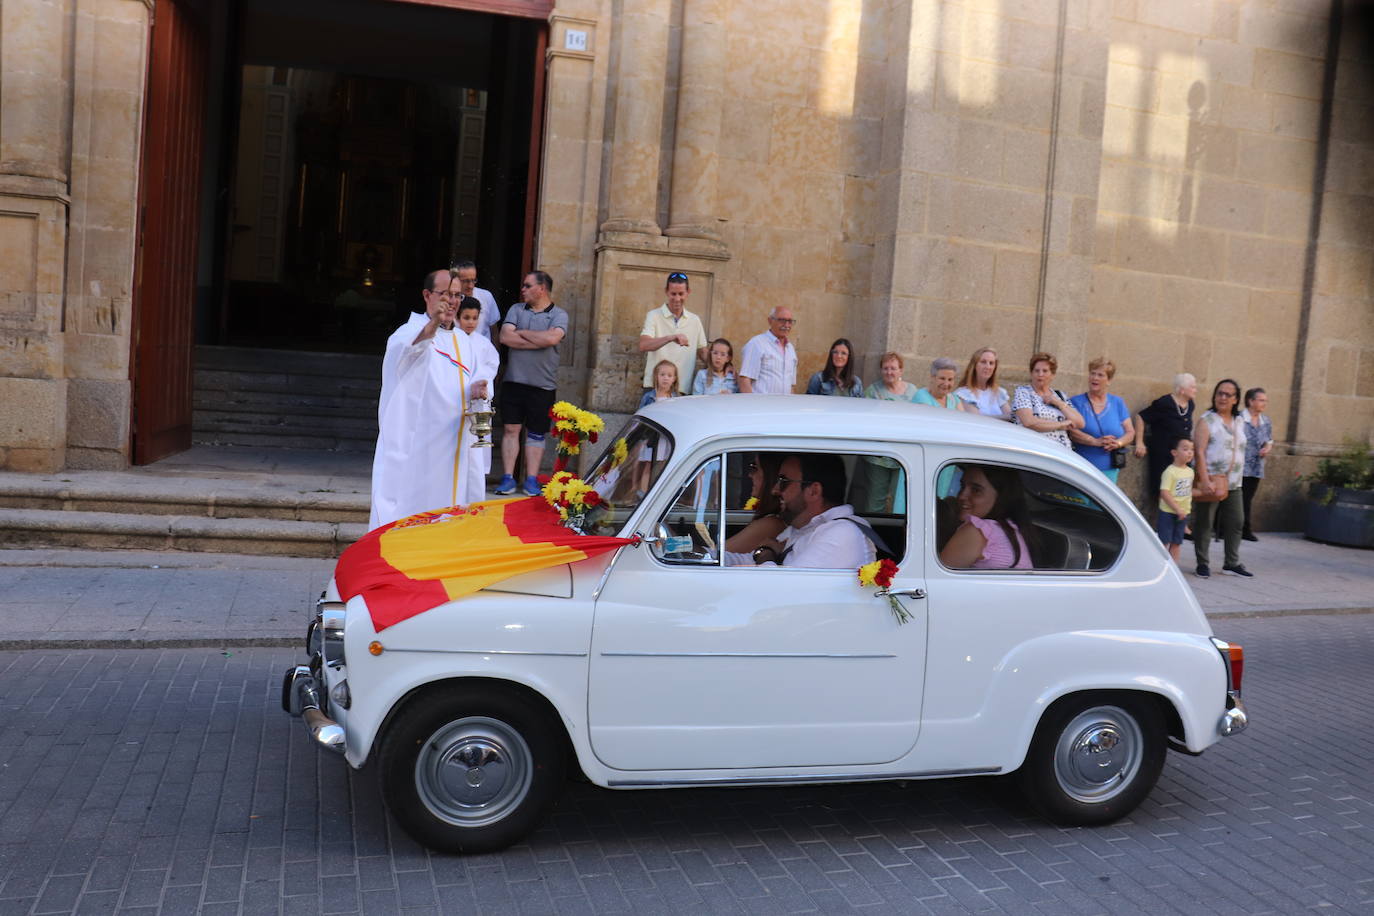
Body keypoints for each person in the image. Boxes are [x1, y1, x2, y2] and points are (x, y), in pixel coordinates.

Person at [369, 270, 498, 529]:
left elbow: (478, 377)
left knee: (453, 513)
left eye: (457, 295)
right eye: (445, 294)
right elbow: (407, 355)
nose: (452, 301)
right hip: (419, 447)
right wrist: (433, 325)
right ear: (427, 295)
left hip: (456, 443)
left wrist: (480, 389)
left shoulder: (465, 340)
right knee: (415, 511)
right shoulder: (408, 332)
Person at [496, 271, 569, 496]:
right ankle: (508, 478)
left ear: (542, 288)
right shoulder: (516, 309)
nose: (523, 289)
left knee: (536, 433)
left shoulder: (559, 314)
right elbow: (505, 338)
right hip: (514, 382)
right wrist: (539, 340)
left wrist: (523, 333)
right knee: (510, 429)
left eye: (528, 285)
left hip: (542, 386)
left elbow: (552, 339)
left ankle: (531, 479)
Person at [740, 453, 876, 569]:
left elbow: (782, 589)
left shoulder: (842, 532)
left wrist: (766, 555)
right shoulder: (802, 527)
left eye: (783, 481)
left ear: (814, 491)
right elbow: (747, 560)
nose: (774, 490)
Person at [1192, 378, 1251, 579]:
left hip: (1234, 480)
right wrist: (1205, 479)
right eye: (1219, 393)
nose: (1223, 398)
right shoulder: (1207, 420)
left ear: (1236, 399)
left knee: (1236, 521)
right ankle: (1202, 562)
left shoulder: (1239, 420)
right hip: (1211, 478)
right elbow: (1199, 451)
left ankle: (1231, 562)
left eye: (1228, 394)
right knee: (1204, 522)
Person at [939, 464, 1035, 570]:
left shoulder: (978, 532)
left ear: (1001, 497)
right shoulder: (1009, 530)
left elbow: (933, 580)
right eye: (962, 486)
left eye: (976, 490)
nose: (961, 495)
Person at [855, 353, 918, 513]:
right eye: (886, 368)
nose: (889, 372)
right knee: (876, 499)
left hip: (904, 455)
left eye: (893, 368)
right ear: (881, 370)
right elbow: (866, 421)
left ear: (901, 370)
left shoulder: (912, 392)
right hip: (879, 456)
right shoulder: (872, 391)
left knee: (902, 499)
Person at [1133, 373, 1198, 517]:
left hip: (1182, 458)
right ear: (1181, 389)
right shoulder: (1165, 403)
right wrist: (1139, 442)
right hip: (1163, 456)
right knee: (1164, 490)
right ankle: (1164, 523)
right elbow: (1141, 417)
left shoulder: (1190, 404)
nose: (1196, 390)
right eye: (1192, 387)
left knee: (1182, 490)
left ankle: (1180, 521)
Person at [638, 271, 708, 395]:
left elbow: (703, 352)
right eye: (673, 294)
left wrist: (724, 368)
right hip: (655, 388)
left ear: (688, 293)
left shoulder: (695, 320)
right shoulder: (653, 316)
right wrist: (670, 338)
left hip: (681, 389)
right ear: (666, 292)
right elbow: (644, 345)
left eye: (681, 294)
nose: (677, 298)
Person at [1068, 357, 1135, 484]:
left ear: (1109, 380)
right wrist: (1095, 441)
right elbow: (1071, 431)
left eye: (1100, 375)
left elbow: (1130, 432)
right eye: (1092, 373)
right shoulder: (1076, 402)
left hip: (1110, 468)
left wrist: (1118, 443)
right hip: (1082, 466)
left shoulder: (1117, 402)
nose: (1095, 378)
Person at [457, 297, 501, 478]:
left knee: (476, 446)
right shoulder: (451, 340)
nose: (471, 322)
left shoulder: (484, 344)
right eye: (466, 317)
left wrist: (482, 385)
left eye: (474, 318)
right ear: (457, 317)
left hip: (477, 402)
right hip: (456, 399)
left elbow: (490, 368)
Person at [1012, 352, 1084, 447]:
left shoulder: (1060, 395)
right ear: (1031, 373)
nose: (1040, 374)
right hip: (1034, 450)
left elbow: (1080, 423)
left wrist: (1057, 403)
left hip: (1061, 452)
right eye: (1036, 371)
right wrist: (1060, 425)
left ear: (1052, 375)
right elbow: (1028, 422)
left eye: (1045, 371)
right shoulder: (1023, 392)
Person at [723, 452, 786, 557]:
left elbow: (716, 555)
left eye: (755, 468)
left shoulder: (771, 524)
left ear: (770, 474)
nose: (750, 475)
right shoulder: (771, 521)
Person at [738, 307, 798, 394]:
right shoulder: (757, 344)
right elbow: (745, 380)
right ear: (770, 321)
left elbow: (791, 385)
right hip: (761, 406)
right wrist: (751, 406)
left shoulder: (790, 349)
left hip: (784, 406)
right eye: (782, 320)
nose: (787, 325)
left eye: (790, 321)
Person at [1240, 387, 1273, 542]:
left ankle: (1244, 529)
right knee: (1237, 498)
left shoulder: (1265, 421)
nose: (1264, 404)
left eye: (1265, 401)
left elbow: (1269, 440)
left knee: (1248, 497)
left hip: (1256, 466)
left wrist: (1267, 448)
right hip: (1239, 465)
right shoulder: (1240, 418)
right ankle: (1238, 529)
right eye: (1261, 400)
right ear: (1250, 401)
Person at [1157, 437, 1195, 562]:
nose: (1190, 452)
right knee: (1164, 542)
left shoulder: (1190, 472)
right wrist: (1177, 508)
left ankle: (1174, 569)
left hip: (1183, 513)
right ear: (1174, 453)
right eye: (1185, 449)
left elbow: (1187, 492)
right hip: (1168, 512)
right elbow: (1164, 492)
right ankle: (1159, 566)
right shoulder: (1170, 472)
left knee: (1177, 543)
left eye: (1192, 449)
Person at [955, 347, 1011, 419]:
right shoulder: (963, 394)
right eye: (983, 362)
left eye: (991, 363)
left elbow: (1011, 417)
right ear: (974, 366)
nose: (988, 367)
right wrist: (1004, 418)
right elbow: (978, 419)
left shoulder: (999, 392)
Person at [451, 259, 501, 340]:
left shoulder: (486, 296)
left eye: (473, 280)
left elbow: (494, 330)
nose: (471, 285)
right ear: (455, 279)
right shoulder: (449, 299)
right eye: (466, 281)